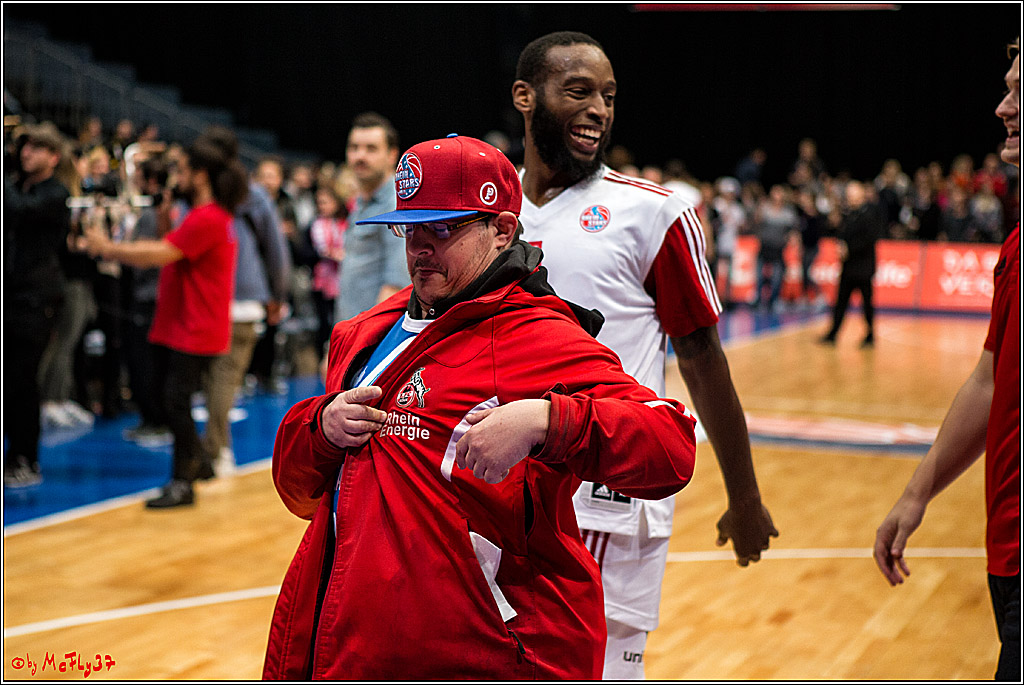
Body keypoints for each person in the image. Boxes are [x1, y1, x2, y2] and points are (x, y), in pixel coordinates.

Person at [262, 134, 698, 680]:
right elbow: (299, 491)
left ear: (501, 229)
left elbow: (671, 445)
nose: (420, 247)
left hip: (477, 656)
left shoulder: (536, 334)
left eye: (442, 228)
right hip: (347, 650)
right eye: (410, 227)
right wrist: (320, 428)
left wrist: (547, 419)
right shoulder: (362, 334)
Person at [511, 31, 777, 678]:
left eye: (608, 95)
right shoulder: (488, 209)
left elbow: (704, 358)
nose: (599, 108)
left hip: (608, 493)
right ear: (525, 97)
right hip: (505, 488)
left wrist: (744, 497)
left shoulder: (654, 214)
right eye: (578, 90)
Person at [874, 38, 1019, 683]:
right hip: (1008, 544)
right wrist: (917, 492)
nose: (1001, 107)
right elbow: (991, 379)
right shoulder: (1017, 245)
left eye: (1019, 92)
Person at [81, 128, 248, 508]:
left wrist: (108, 247)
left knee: (174, 401)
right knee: (170, 397)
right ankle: (199, 463)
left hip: (195, 325)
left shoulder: (208, 217)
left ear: (201, 174)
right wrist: (162, 220)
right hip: (185, 321)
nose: (179, 177)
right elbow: (175, 249)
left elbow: (163, 253)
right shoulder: (201, 216)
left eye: (184, 170)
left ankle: (182, 481)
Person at [4, 122, 71, 487]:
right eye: (24, 148)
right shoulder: (16, 187)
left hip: (36, 299)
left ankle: (26, 458)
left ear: (53, 156)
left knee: (22, 380)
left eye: (36, 148)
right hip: (10, 294)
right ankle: (12, 454)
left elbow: (19, 212)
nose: (26, 153)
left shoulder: (55, 194)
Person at [334, 112, 409, 322]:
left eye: (371, 149)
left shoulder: (396, 205)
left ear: (392, 155)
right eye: (354, 147)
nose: (360, 156)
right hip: (349, 332)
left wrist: (364, 347)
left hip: (368, 340)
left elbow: (395, 288)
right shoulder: (360, 203)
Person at [818, 180, 884, 347]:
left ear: (861, 196)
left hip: (863, 268)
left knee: (867, 304)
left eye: (853, 195)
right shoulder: (848, 215)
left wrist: (848, 248)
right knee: (840, 302)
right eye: (848, 196)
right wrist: (840, 243)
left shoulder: (869, 214)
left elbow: (868, 240)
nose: (850, 199)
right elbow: (842, 234)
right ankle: (833, 333)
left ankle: (870, 335)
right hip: (848, 268)